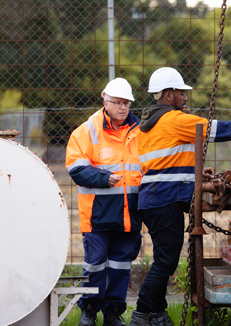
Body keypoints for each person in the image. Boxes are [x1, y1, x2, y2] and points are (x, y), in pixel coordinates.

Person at [129, 67, 231, 326]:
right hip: (165, 200)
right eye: (180, 93)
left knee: (163, 259)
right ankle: (141, 315)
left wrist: (195, 172)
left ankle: (158, 315)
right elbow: (219, 129)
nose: (185, 98)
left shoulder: (148, 127)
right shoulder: (175, 120)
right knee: (166, 261)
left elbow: (166, 162)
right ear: (168, 95)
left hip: (153, 199)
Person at [66, 78, 143, 326]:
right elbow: (75, 168)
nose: (123, 107)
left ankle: (113, 313)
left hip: (129, 215)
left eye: (126, 103)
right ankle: (88, 311)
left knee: (121, 267)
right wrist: (103, 178)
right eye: (118, 102)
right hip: (97, 216)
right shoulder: (86, 131)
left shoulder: (140, 133)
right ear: (104, 99)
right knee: (95, 265)